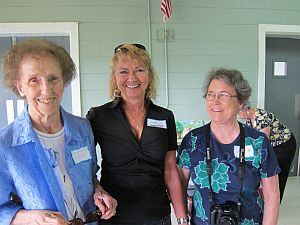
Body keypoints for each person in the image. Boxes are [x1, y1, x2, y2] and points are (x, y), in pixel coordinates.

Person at [0, 39, 117, 225]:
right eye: (34, 80)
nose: (46, 89)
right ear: (20, 87)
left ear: (64, 81)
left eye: (53, 78)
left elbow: (90, 176)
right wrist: (34, 218)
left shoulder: (82, 128)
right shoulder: (6, 144)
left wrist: (99, 192)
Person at [86, 44, 187, 225]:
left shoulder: (165, 117)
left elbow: (170, 170)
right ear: (114, 77)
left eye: (139, 70)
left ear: (149, 75)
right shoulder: (99, 117)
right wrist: (97, 189)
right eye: (123, 71)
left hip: (157, 216)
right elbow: (84, 168)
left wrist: (181, 218)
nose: (132, 78)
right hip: (114, 216)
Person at [177, 68, 281, 225]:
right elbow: (180, 185)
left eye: (223, 95)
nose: (215, 101)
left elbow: (272, 194)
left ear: (240, 102)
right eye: (210, 95)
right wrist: (182, 219)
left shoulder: (257, 142)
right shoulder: (192, 141)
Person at [239, 105, 297, 202]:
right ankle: (265, 199)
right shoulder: (249, 120)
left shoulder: (262, 116)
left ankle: (275, 202)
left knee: (277, 173)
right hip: (272, 146)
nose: (239, 116)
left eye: (239, 113)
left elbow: (263, 142)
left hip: (284, 145)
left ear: (246, 110)